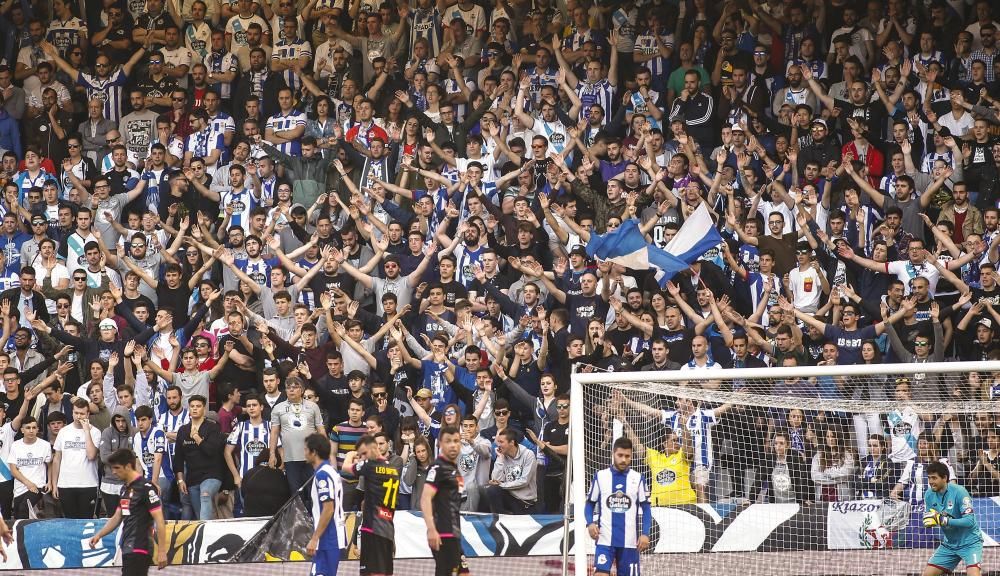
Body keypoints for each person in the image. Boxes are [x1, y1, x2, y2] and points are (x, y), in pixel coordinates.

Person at [87, 448, 168, 575]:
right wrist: (99, 535)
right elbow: (117, 517)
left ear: (128, 466)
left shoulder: (146, 488)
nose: (113, 472)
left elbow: (159, 520)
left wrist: (162, 551)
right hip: (127, 548)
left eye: (117, 468)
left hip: (140, 548)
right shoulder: (125, 489)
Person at [585, 437, 651, 576]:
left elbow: (646, 509)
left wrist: (645, 534)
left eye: (627, 456)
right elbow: (590, 503)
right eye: (620, 455)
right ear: (613, 454)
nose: (623, 460)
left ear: (631, 456)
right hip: (605, 540)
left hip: (630, 543)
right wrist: (590, 524)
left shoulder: (638, 478)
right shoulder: (600, 476)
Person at [342, 434, 400, 576]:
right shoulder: (392, 468)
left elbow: (345, 467)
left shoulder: (370, 465)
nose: (363, 457)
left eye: (364, 453)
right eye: (361, 455)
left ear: (374, 448)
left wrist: (351, 455)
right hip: (388, 527)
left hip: (373, 528)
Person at [922, 461, 983, 576]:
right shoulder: (929, 495)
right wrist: (929, 522)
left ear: (944, 478)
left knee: (974, 574)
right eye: (929, 478)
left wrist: (943, 520)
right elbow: (933, 517)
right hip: (949, 544)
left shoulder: (960, 491)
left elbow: (969, 521)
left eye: (934, 478)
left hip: (970, 543)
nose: (930, 482)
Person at [421, 425, 468, 576]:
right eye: (448, 441)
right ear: (440, 444)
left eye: (456, 441)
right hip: (443, 533)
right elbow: (425, 498)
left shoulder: (454, 469)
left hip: (454, 532)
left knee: (464, 572)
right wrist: (431, 529)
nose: (453, 445)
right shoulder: (438, 467)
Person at [304, 432, 346, 576]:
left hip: (328, 538)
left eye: (305, 449)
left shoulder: (322, 475)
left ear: (314, 452)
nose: (304, 453)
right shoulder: (332, 471)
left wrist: (315, 538)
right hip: (332, 537)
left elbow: (328, 509)